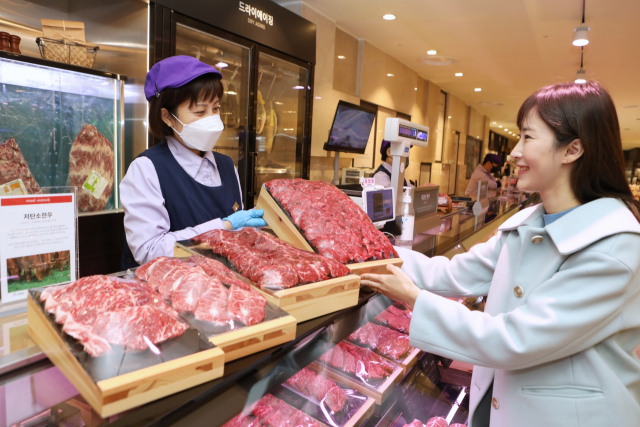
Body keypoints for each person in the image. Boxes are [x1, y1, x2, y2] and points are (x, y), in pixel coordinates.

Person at [360, 81, 640, 426]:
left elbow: (515, 339)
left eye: (528, 137)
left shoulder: (615, 245)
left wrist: (414, 297)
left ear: (572, 150)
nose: (513, 153)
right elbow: (452, 275)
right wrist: (368, 248)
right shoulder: (526, 223)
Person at [120, 56, 267, 268]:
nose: (211, 119)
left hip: (223, 290)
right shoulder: (147, 169)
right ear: (168, 117)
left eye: (215, 109)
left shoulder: (227, 167)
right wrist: (224, 226)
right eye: (200, 111)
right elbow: (149, 251)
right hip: (174, 292)